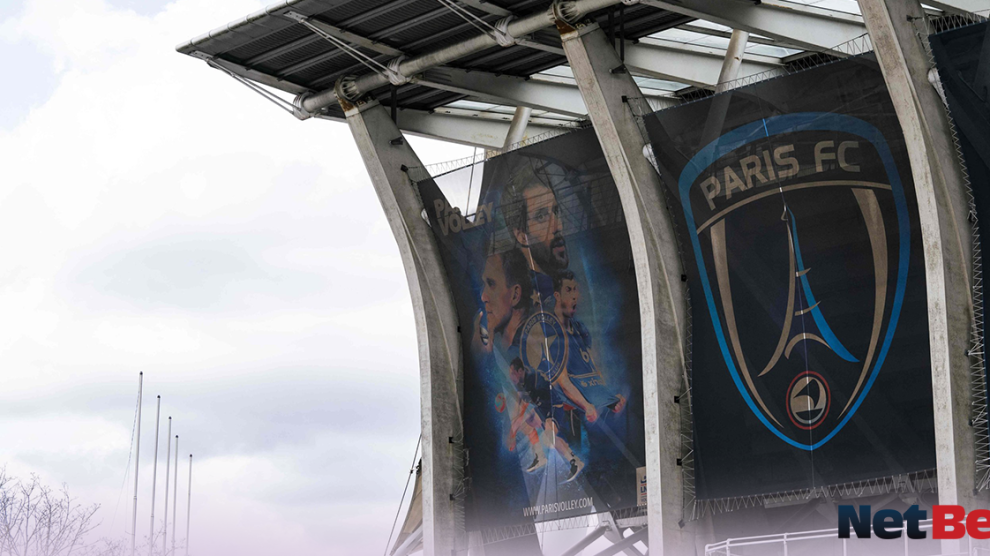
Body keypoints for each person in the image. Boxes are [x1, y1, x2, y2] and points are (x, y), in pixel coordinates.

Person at [478, 247, 593, 482]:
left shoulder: (538, 370)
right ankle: (541, 457)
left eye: (491, 284)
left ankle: (574, 460)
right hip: (542, 407)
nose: (484, 296)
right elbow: (520, 408)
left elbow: (564, 384)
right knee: (527, 424)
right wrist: (514, 428)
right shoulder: (518, 378)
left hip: (554, 407)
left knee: (547, 435)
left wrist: (587, 406)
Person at [553, 269, 627, 419]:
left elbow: (592, 370)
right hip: (562, 413)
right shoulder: (550, 331)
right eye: (568, 290)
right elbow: (563, 382)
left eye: (575, 289)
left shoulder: (579, 328)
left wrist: (608, 398)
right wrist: (586, 405)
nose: (574, 295)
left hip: (581, 411)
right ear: (557, 296)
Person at [499, 160, 570, 311]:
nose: (557, 226)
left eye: (556, 211)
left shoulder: (567, 284)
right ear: (521, 235)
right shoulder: (524, 302)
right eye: (541, 216)